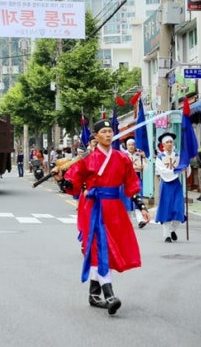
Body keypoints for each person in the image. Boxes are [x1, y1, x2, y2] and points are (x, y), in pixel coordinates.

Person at [51, 118, 150, 315]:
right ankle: (109, 294)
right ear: (95, 136)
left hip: (115, 209)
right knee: (99, 247)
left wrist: (141, 206)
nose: (107, 135)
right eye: (103, 132)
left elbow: (131, 184)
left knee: (111, 248)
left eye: (109, 132)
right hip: (93, 208)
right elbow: (73, 185)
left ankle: (94, 295)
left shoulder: (122, 158)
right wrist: (61, 180)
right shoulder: (86, 159)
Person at [155, 132, 186, 243]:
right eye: (167, 142)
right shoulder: (160, 157)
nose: (169, 144)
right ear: (163, 144)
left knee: (179, 209)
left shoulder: (178, 156)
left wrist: (186, 169)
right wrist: (175, 171)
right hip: (166, 184)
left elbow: (184, 167)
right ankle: (166, 235)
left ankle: (173, 229)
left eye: (171, 142)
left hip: (176, 184)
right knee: (166, 209)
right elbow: (162, 171)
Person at [125, 138, 148, 228]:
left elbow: (145, 168)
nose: (131, 146)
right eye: (129, 145)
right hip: (126, 180)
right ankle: (128, 221)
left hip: (137, 179)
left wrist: (144, 157)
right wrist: (135, 167)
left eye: (132, 144)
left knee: (138, 199)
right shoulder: (124, 155)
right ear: (127, 146)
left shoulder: (139, 155)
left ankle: (140, 220)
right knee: (128, 201)